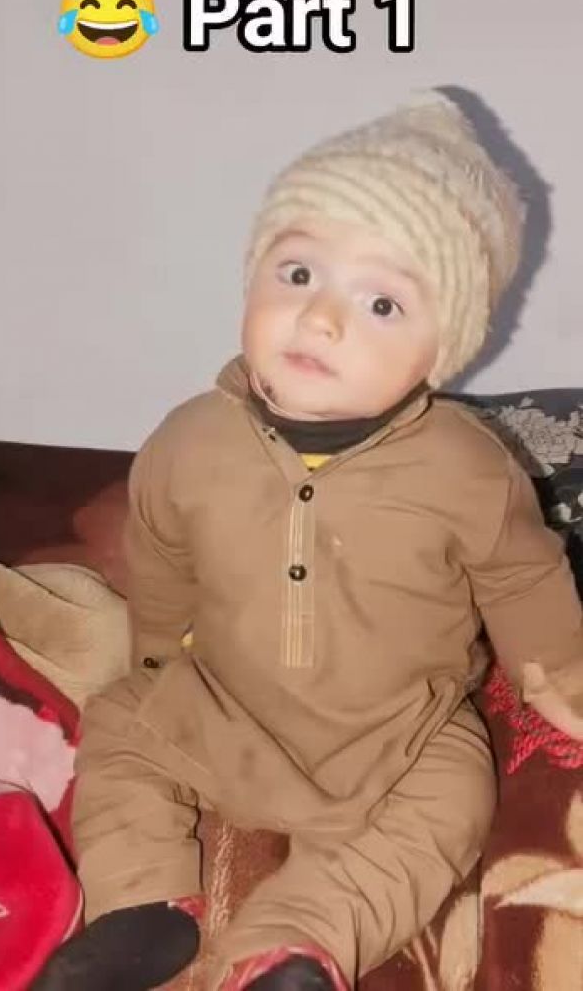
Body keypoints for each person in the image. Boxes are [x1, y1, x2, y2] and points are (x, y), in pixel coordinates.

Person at [34, 91, 583, 991]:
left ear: (442, 349)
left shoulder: (468, 468)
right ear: (250, 279)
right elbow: (161, 557)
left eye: (381, 302)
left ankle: (297, 943)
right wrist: (157, 663)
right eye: (297, 274)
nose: (321, 318)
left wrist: (558, 677)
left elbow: (523, 579)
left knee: (456, 794)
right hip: (225, 707)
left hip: (396, 739)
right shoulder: (188, 440)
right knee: (122, 722)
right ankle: (140, 905)